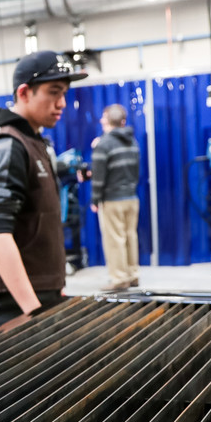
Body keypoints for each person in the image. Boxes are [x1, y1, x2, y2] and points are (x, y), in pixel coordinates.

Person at [0, 50, 87, 330]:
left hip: (40, 292)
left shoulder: (35, 142)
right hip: (15, 305)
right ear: (24, 92)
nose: (62, 103)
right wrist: (33, 311)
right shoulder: (8, 146)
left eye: (65, 93)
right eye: (53, 92)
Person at [89, 103, 141, 290]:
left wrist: (95, 200)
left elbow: (98, 177)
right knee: (130, 237)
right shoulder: (132, 141)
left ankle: (119, 279)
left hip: (112, 199)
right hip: (132, 198)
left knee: (115, 240)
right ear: (123, 121)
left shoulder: (103, 144)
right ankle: (133, 275)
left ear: (105, 119)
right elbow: (135, 172)